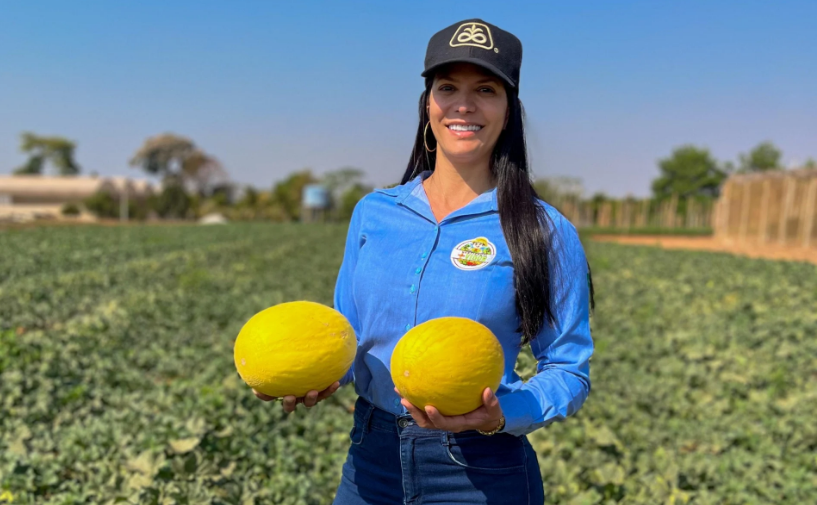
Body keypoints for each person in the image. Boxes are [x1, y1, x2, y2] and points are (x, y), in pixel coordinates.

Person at [255, 18, 595, 505]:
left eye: (486, 89)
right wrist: (314, 373)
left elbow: (568, 369)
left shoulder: (543, 229)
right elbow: (346, 334)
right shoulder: (374, 213)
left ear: (508, 110)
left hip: (482, 469)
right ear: (428, 103)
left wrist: (501, 414)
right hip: (371, 460)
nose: (464, 104)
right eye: (447, 87)